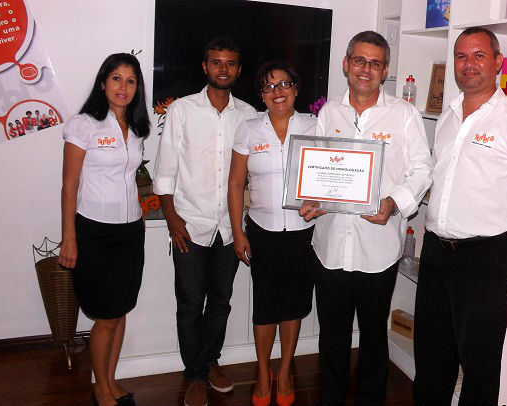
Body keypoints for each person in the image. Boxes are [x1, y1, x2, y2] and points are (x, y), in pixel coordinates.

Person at [413, 27, 507, 406]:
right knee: (431, 356)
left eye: (479, 55)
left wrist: (495, 218)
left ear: (498, 62)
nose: (468, 64)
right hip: (435, 252)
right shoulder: (448, 115)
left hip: (484, 258)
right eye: (461, 56)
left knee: (479, 364)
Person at [299, 31, 432, 406]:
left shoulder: (404, 115)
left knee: (374, 337)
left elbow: (423, 170)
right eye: (359, 60)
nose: (366, 69)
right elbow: (319, 168)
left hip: (378, 249)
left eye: (375, 63)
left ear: (385, 70)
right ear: (346, 64)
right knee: (332, 337)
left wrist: (394, 202)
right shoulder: (329, 113)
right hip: (330, 246)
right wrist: (312, 197)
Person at [152, 37, 257, 406]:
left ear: (238, 70)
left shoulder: (249, 115)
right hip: (189, 225)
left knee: (221, 302)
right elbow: (165, 170)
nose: (223, 69)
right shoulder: (181, 110)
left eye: (230, 63)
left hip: (229, 228)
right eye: (216, 62)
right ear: (205, 67)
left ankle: (211, 361)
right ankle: (194, 374)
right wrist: (171, 218)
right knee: (189, 304)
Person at [58, 53, 150, 406]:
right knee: (106, 317)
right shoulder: (84, 125)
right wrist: (69, 238)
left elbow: (129, 177)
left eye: (131, 80)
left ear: (137, 87)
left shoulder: (137, 128)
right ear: (102, 83)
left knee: (120, 310)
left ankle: (110, 381)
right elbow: (69, 186)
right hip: (94, 233)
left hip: (130, 232)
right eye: (116, 78)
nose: (123, 87)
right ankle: (100, 389)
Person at [228, 59, 316, 406]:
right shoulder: (249, 129)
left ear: (296, 88)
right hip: (262, 232)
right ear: (261, 95)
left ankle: (285, 370)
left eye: (283, 84)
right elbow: (235, 185)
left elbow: (330, 176)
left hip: (303, 233)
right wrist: (238, 233)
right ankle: (264, 371)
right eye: (268, 86)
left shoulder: (314, 125)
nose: (277, 92)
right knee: (265, 307)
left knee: (293, 306)